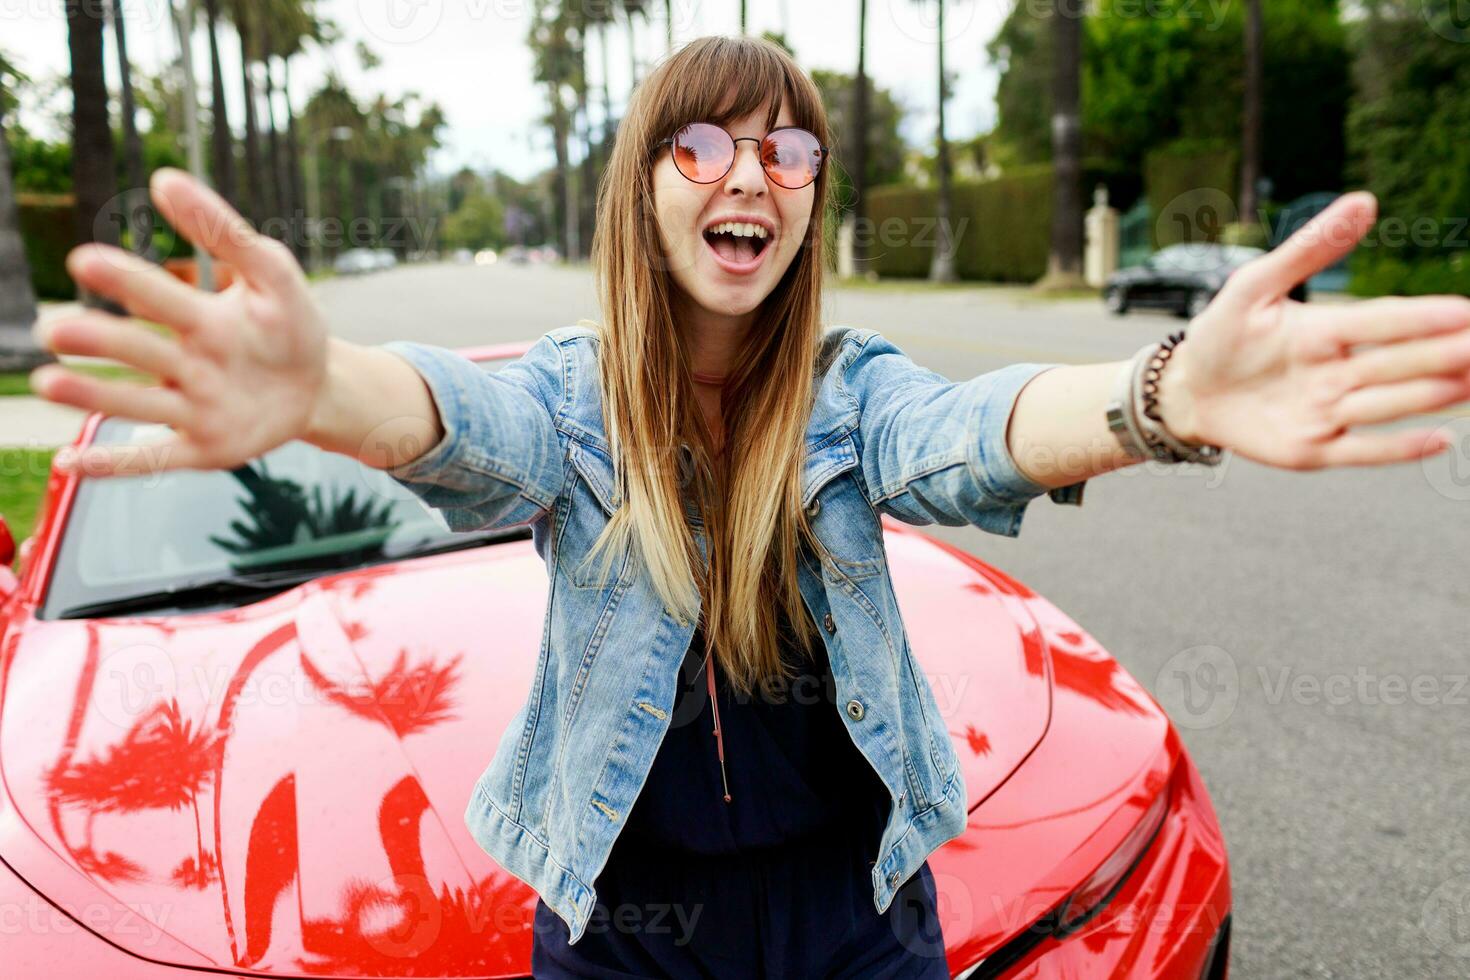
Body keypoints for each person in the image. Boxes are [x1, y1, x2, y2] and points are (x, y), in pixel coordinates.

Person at [26, 33, 1470, 979]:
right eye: (702, 143)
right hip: (625, 922)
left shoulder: (851, 392)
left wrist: (1158, 396)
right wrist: (322, 385)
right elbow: (464, 421)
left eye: (787, 149)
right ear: (644, 190)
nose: (751, 175)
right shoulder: (572, 400)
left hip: (853, 912)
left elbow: (969, 432)